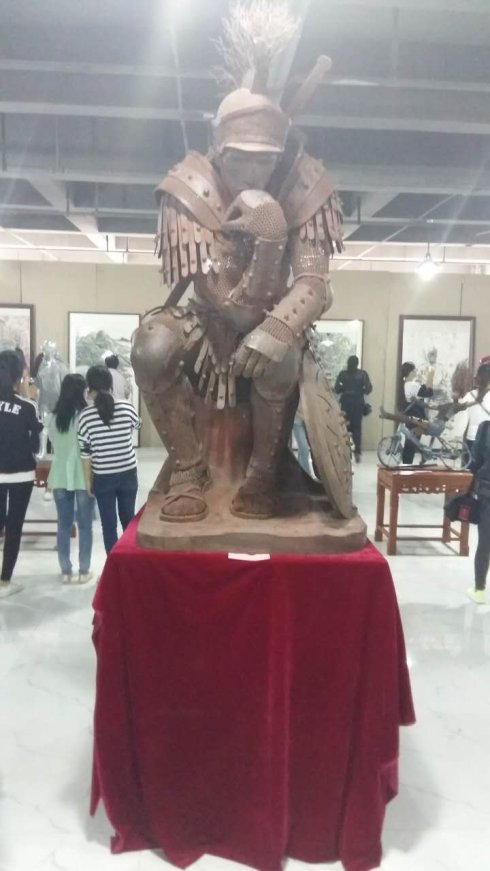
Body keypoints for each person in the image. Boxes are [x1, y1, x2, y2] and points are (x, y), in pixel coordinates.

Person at [78, 365, 141, 554]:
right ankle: (130, 563)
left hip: (103, 476)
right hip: (128, 472)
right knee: (129, 521)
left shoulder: (85, 416)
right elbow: (137, 425)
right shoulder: (127, 407)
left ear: (89, 387)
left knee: (108, 525)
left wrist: (88, 481)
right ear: (110, 384)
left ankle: (113, 567)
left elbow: (85, 453)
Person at [0, 350, 43, 597]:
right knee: (14, 527)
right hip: (20, 473)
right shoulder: (27, 406)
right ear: (19, 376)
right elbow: (36, 439)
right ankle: (5, 581)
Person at [48, 374, 95, 583]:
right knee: (85, 526)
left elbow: (52, 442)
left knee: (64, 525)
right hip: (84, 476)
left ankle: (65, 570)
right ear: (81, 391)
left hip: (59, 475)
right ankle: (84, 570)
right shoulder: (87, 416)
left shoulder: (54, 417)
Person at [466, 418, 490, 604]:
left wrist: (467, 490)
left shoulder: (486, 428)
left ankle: (479, 589)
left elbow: (474, 461)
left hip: (487, 493)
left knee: (485, 543)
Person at [335, 356, 372, 463]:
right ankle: (357, 452)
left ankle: (345, 451)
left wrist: (345, 389)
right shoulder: (362, 374)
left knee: (344, 427)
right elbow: (369, 389)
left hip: (346, 402)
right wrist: (361, 390)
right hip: (358, 402)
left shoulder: (343, 374)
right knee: (357, 427)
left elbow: (337, 389)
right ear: (357, 363)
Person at [397, 361, 434, 465]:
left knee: (410, 441)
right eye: (414, 370)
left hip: (409, 416)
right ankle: (409, 464)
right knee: (412, 443)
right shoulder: (413, 385)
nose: (416, 372)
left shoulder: (403, 384)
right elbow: (429, 392)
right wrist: (430, 376)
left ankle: (407, 463)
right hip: (417, 417)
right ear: (410, 372)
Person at [458, 362, 490, 458]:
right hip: (487, 440)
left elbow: (461, 421)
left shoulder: (469, 395)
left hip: (471, 438)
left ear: (478, 378)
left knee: (471, 465)